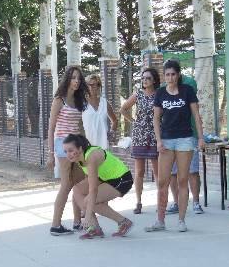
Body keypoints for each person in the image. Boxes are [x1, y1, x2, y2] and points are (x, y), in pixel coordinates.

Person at [145, 60, 204, 233]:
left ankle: (181, 220)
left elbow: (196, 115)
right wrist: (158, 140)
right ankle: (160, 220)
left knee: (182, 179)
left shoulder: (187, 91)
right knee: (163, 181)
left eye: (173, 74)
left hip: (185, 139)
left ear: (178, 75)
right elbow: (156, 118)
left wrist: (200, 138)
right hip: (167, 140)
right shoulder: (161, 93)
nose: (170, 78)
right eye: (167, 74)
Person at [63, 134, 133, 239]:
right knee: (77, 189)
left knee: (89, 201)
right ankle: (94, 228)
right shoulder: (79, 158)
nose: (68, 155)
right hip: (107, 179)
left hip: (122, 179)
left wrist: (87, 216)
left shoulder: (91, 157)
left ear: (80, 148)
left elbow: (93, 190)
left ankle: (123, 222)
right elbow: (90, 180)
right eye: (66, 152)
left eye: (70, 150)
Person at [47, 66, 87, 236]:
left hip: (77, 146)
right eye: (73, 78)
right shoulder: (59, 100)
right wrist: (50, 154)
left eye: (78, 78)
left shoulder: (79, 101)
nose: (76, 81)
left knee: (80, 184)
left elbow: (80, 126)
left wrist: (87, 147)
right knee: (66, 185)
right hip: (62, 145)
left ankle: (77, 222)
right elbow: (51, 128)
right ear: (67, 80)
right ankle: (55, 225)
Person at [120, 67, 160, 215]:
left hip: (155, 135)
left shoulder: (159, 95)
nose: (145, 80)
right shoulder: (138, 94)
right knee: (139, 171)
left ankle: (159, 201)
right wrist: (134, 121)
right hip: (139, 136)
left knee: (157, 171)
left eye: (148, 78)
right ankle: (138, 201)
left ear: (154, 80)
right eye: (143, 78)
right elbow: (123, 109)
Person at [82, 73, 117, 153]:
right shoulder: (81, 103)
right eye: (89, 84)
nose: (91, 87)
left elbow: (115, 120)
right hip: (86, 146)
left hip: (103, 146)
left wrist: (112, 132)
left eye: (95, 85)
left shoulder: (104, 103)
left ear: (99, 86)